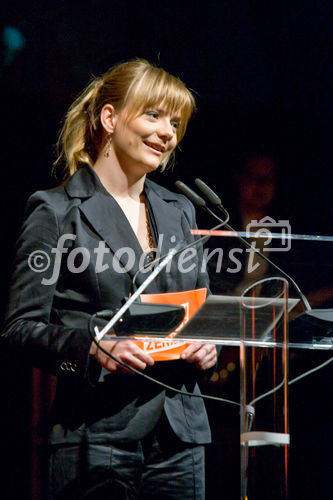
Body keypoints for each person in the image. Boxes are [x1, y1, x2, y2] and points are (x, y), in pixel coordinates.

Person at [2, 59, 217, 499]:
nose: (167, 133)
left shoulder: (181, 211)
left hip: (182, 438)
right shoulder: (57, 211)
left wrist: (207, 346)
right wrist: (91, 348)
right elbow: (19, 331)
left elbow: (202, 314)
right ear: (110, 117)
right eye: (153, 115)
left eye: (174, 123)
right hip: (95, 436)